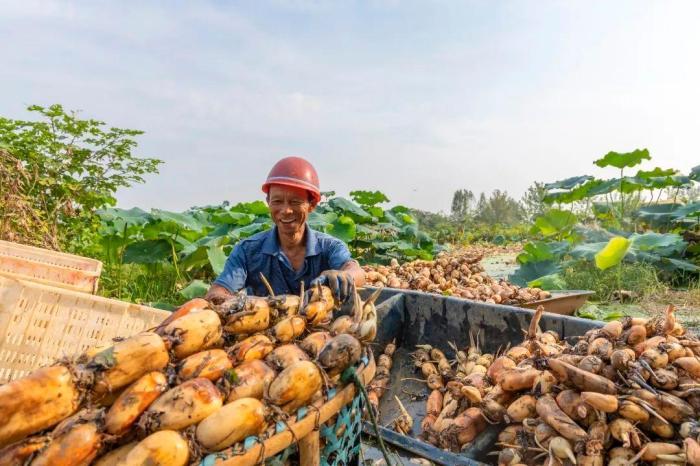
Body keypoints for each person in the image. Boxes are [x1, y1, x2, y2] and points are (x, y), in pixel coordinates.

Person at [205, 156, 365, 305]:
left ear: (312, 204)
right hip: (262, 330)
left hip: (321, 331)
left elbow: (356, 271)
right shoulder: (247, 251)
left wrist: (344, 276)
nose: (286, 210)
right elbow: (217, 293)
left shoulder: (330, 247)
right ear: (268, 202)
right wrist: (246, 304)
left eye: (295, 202)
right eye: (277, 201)